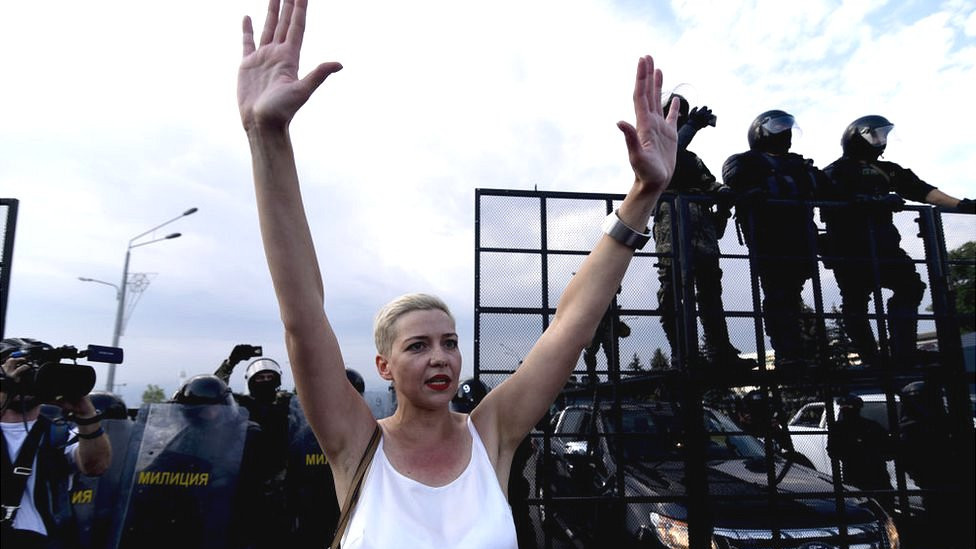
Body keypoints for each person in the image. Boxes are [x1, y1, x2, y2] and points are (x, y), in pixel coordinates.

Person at [236, 0, 679, 545]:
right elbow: (303, 314)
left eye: (447, 342)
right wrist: (267, 136)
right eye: (417, 346)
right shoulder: (355, 444)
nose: (440, 356)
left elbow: (572, 325)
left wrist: (643, 196)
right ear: (384, 366)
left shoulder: (493, 432)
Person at [821, 115, 975, 367]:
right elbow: (828, 197)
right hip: (848, 248)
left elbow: (923, 191)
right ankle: (871, 357)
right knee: (856, 301)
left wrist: (961, 204)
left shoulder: (888, 169)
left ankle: (904, 349)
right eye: (876, 135)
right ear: (858, 137)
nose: (882, 141)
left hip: (884, 245)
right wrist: (864, 201)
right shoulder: (834, 172)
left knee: (911, 287)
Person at [722, 110, 832, 371]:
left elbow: (827, 187)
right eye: (779, 127)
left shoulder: (800, 165)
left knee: (792, 294)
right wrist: (751, 193)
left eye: (787, 127)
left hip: (801, 238)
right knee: (778, 294)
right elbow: (734, 182)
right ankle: (786, 352)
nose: (785, 132)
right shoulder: (744, 161)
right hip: (768, 238)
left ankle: (796, 351)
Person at [654, 95, 755, 372]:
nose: (681, 121)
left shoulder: (691, 158)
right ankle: (683, 355)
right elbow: (666, 157)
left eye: (683, 117)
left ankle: (720, 352)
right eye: (675, 116)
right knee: (674, 292)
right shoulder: (654, 150)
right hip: (672, 230)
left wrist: (723, 192)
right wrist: (694, 127)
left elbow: (708, 182)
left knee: (711, 293)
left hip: (702, 232)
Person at [1, 338, 111, 549]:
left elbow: (96, 466)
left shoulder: (60, 433)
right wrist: (4, 390)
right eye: (16, 369)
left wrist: (86, 413)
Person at [826, 394, 893, 510]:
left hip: (871, 476)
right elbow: (833, 451)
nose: (846, 411)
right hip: (861, 476)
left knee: (876, 507)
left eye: (847, 408)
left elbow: (889, 451)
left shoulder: (841, 429)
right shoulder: (840, 429)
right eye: (844, 408)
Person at [582, 285, 630, 384]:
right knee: (592, 353)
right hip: (597, 323)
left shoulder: (605, 279)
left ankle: (610, 380)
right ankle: (594, 379)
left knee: (611, 354)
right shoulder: (592, 284)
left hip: (606, 323)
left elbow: (618, 288)